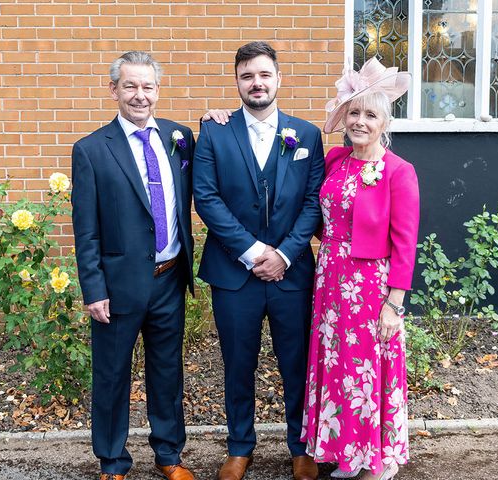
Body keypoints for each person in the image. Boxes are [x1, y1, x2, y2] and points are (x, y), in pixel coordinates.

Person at [193, 41, 324, 480]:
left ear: (278, 79)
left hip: (293, 273)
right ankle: (239, 446)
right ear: (237, 82)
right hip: (234, 273)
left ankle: (301, 445)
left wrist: (284, 253)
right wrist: (253, 253)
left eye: (264, 74)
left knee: (297, 363)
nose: (257, 83)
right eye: (247, 76)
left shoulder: (306, 135)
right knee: (238, 361)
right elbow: (206, 198)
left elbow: (312, 202)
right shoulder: (214, 131)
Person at [71, 51, 196, 480]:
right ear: (114, 90)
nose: (139, 95)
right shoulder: (90, 150)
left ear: (158, 90)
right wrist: (93, 288)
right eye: (130, 86)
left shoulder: (180, 138)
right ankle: (112, 461)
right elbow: (85, 228)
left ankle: (169, 455)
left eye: (147, 86)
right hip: (118, 285)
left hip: (169, 278)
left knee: (167, 371)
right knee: (111, 376)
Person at [301, 58, 419, 480]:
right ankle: (347, 452)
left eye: (370, 114)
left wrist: (395, 304)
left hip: (371, 287)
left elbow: (405, 242)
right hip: (330, 279)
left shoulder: (398, 172)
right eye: (354, 112)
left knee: (367, 368)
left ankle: (377, 458)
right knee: (337, 366)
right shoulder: (335, 160)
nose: (360, 121)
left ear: (384, 121)